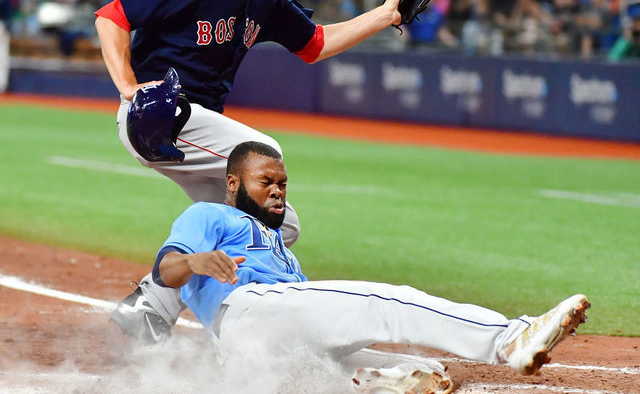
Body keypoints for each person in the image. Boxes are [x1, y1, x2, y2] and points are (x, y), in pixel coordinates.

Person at [95, 0, 403, 341]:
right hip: (156, 117)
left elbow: (314, 45)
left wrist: (385, 15)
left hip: (196, 129)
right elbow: (112, 16)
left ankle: (153, 304)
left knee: (276, 225)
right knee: (260, 149)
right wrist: (129, 87)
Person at [151, 140, 590, 393]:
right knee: (385, 303)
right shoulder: (211, 215)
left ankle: (384, 384)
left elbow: (310, 317)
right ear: (232, 184)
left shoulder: (283, 249)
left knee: (428, 375)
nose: (278, 191)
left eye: (283, 184)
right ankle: (511, 338)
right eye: (265, 182)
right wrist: (195, 261)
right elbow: (165, 270)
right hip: (246, 311)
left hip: (257, 349)